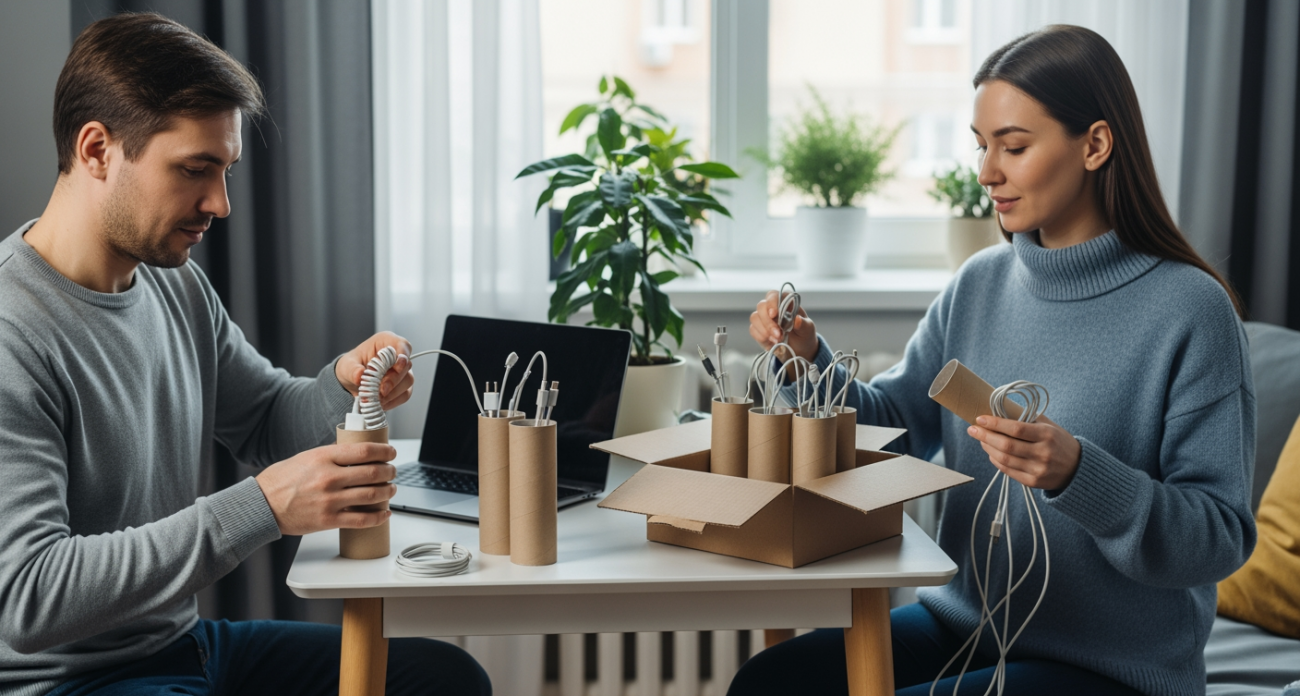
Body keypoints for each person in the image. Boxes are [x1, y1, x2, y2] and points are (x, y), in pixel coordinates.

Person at [731, 25, 1255, 696]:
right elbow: (894, 423)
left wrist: (1078, 475)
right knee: (770, 684)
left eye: (1014, 146)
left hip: (1110, 668)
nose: (986, 173)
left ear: (1094, 144)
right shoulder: (980, 282)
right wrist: (806, 360)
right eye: (982, 147)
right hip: (966, 626)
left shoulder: (1192, 310)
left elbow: (1220, 537)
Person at [0, 13, 489, 696]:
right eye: (195, 170)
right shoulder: (11, 332)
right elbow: (27, 597)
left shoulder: (175, 284)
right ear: (97, 150)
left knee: (443, 678)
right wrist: (263, 504)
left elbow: (263, 421)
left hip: (185, 643)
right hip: (74, 682)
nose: (220, 204)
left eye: (225, 171)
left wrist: (341, 386)